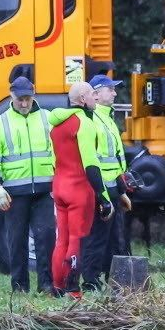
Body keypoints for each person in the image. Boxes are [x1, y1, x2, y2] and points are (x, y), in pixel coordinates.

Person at [0, 75, 56, 292]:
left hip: (44, 189)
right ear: (11, 96)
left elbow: (58, 152)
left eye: (28, 99)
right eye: (19, 99)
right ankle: (19, 286)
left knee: (46, 236)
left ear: (34, 96)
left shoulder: (47, 118)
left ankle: (47, 285)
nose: (24, 104)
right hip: (14, 192)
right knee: (17, 240)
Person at [47, 81, 112, 297]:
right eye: (93, 94)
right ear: (83, 99)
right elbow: (91, 164)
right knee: (77, 239)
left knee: (61, 240)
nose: (95, 97)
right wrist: (103, 197)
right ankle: (74, 290)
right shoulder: (84, 122)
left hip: (59, 186)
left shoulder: (56, 123)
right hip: (78, 189)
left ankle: (57, 286)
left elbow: (55, 158)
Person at [78, 73, 130, 288]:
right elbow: (93, 160)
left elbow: (114, 160)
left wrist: (121, 190)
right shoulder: (93, 120)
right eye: (111, 89)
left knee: (113, 239)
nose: (115, 92)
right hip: (100, 190)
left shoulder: (107, 118)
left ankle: (113, 280)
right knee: (97, 238)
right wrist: (102, 193)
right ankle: (90, 281)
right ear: (96, 95)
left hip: (112, 189)